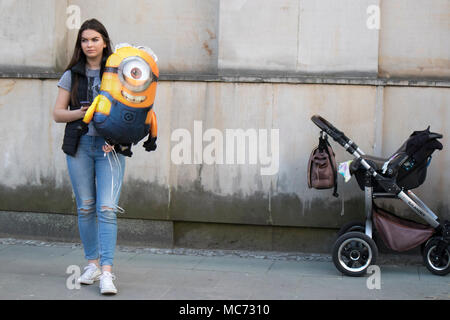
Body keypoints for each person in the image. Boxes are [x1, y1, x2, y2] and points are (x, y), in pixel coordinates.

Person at [53, 19, 124, 295]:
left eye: (95, 39)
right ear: (80, 45)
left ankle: (107, 272)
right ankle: (92, 265)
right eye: (85, 40)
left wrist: (118, 139)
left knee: (106, 209)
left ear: (104, 41)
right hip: (80, 147)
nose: (90, 44)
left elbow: (133, 114)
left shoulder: (118, 72)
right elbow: (58, 113)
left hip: (110, 150)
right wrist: (81, 113)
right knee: (85, 207)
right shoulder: (72, 74)